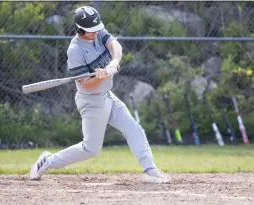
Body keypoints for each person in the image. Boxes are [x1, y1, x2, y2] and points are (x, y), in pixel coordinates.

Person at [29, 6, 170, 183]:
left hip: (107, 96)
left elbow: (114, 45)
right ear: (80, 30)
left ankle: (150, 170)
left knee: (134, 129)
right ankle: (47, 162)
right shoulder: (75, 50)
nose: (96, 32)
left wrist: (114, 62)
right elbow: (87, 85)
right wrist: (100, 76)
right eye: (91, 31)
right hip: (91, 101)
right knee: (91, 149)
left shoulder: (98, 32)